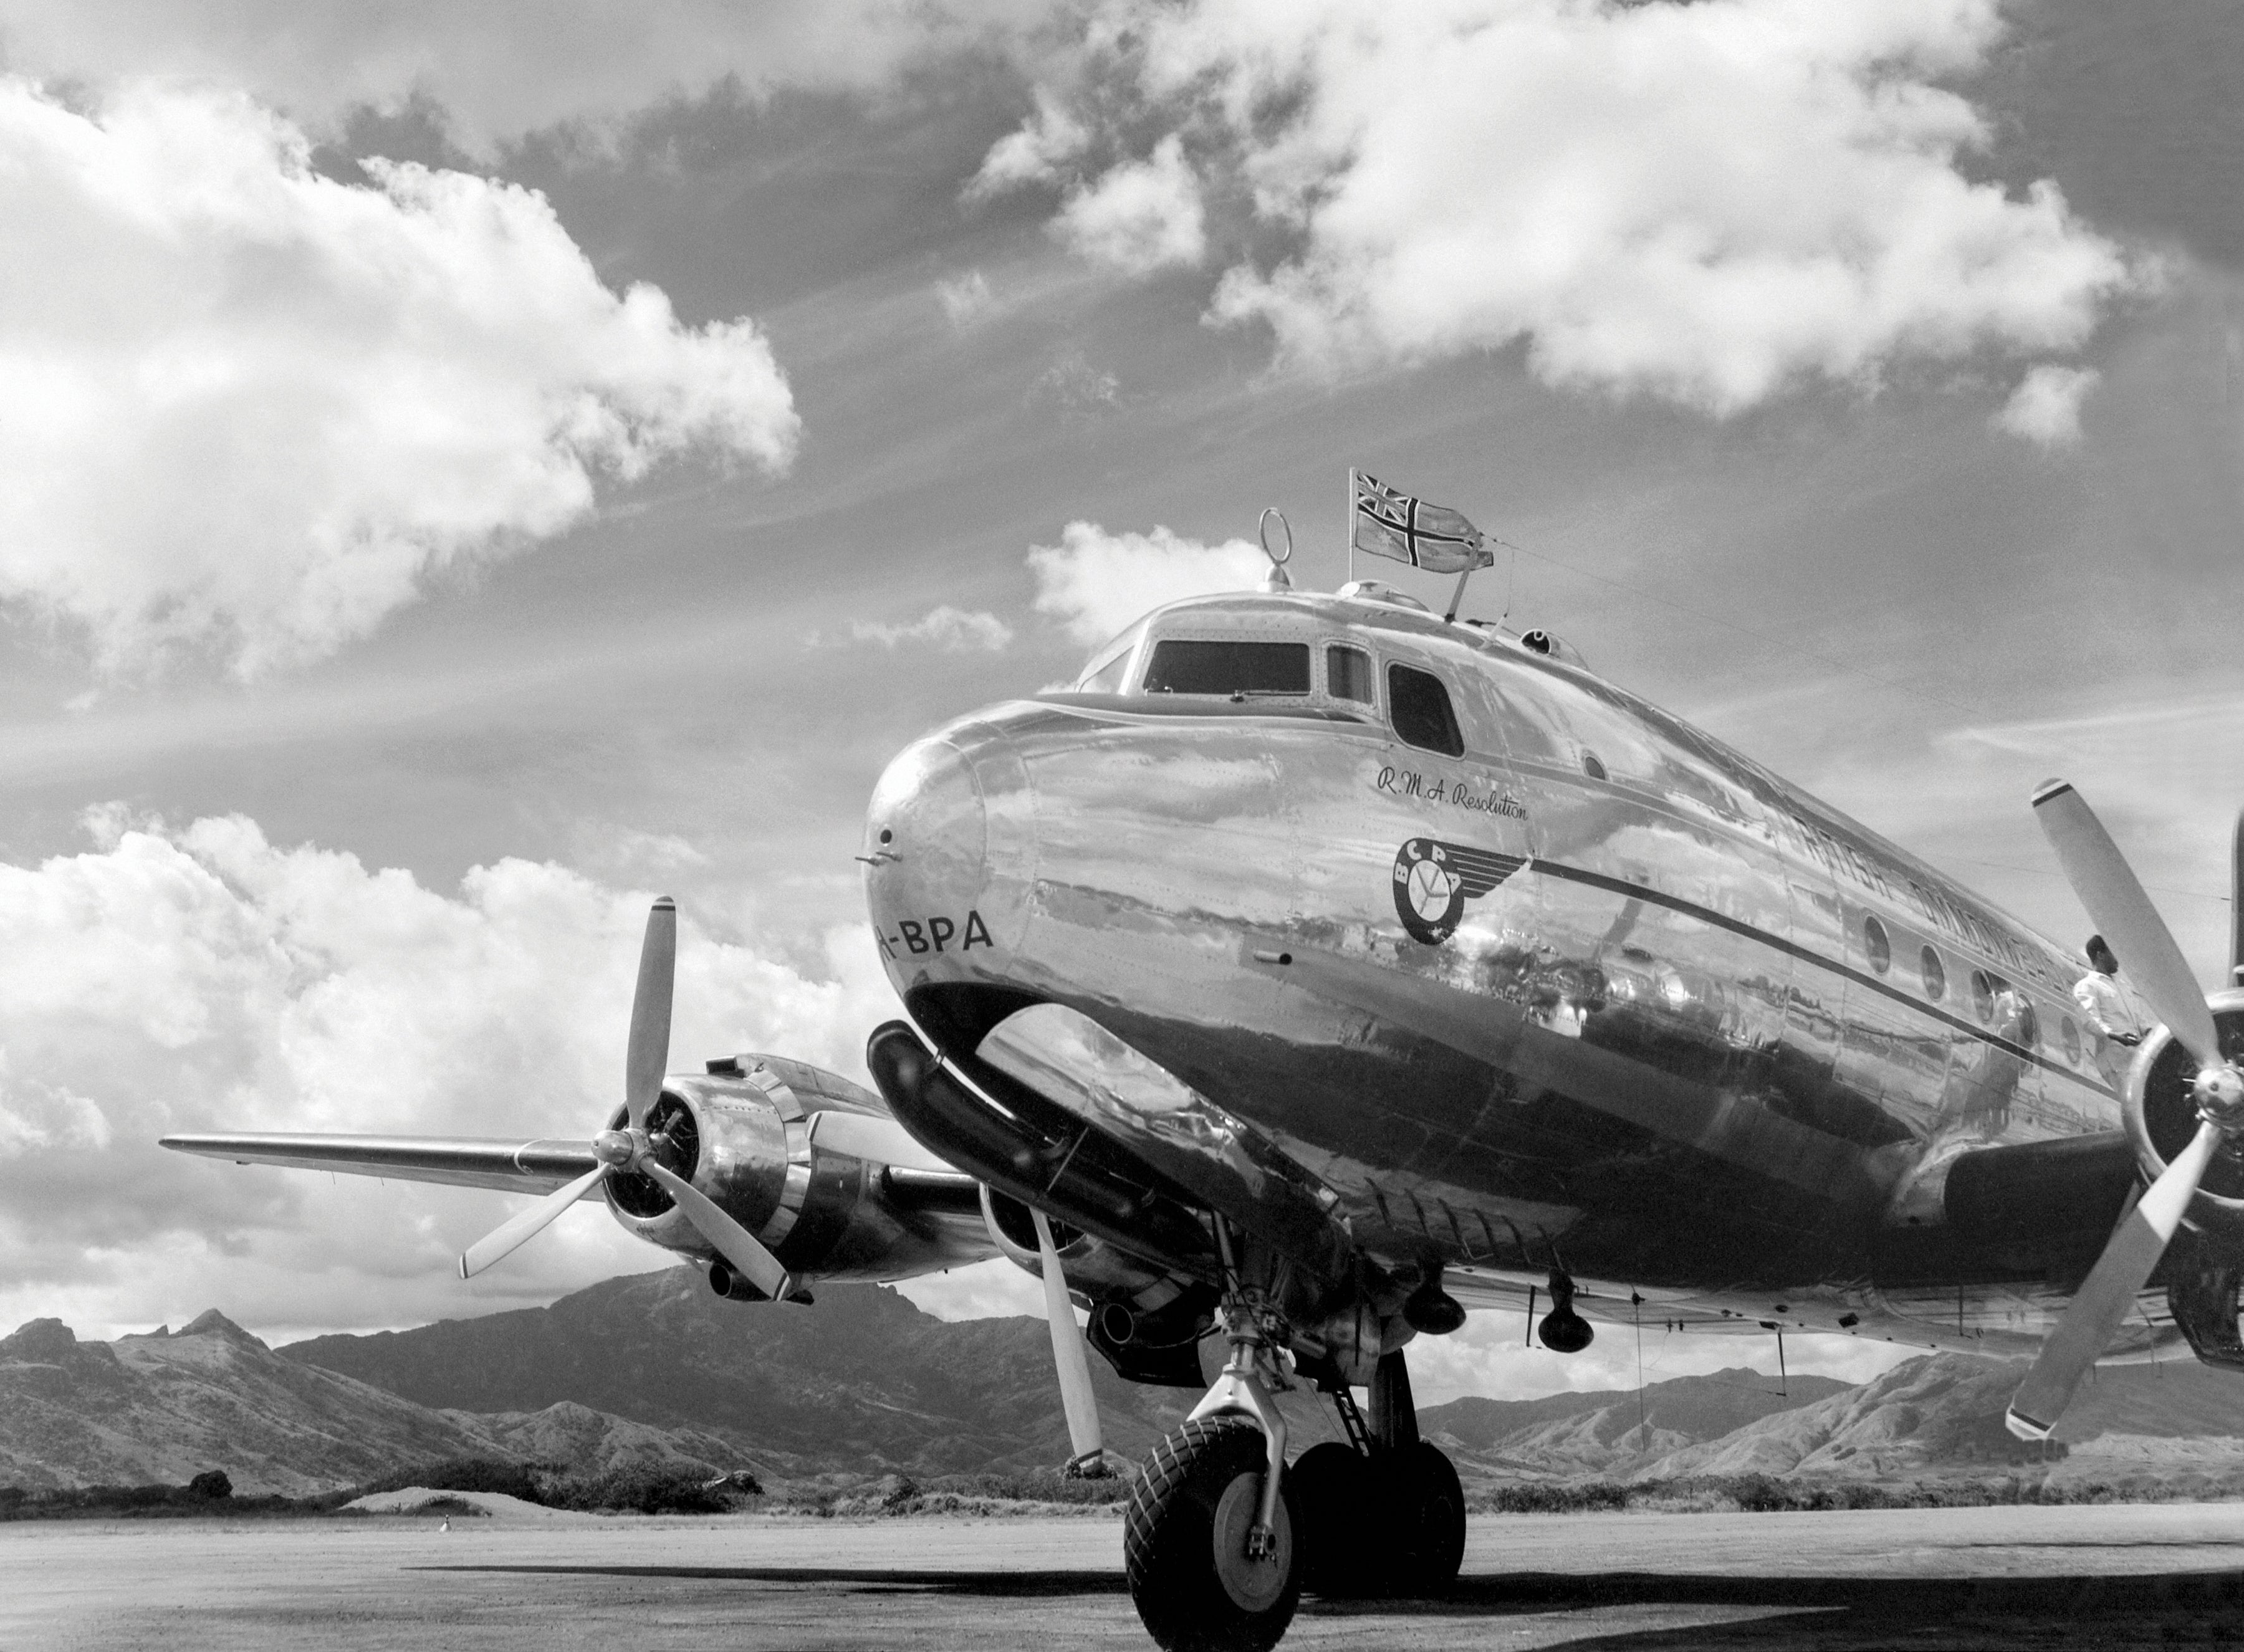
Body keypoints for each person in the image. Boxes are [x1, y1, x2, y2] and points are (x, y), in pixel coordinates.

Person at [2073, 935, 2146, 1087]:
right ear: (2100, 955)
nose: (2118, 958)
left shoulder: (2123, 987)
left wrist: (2148, 1033)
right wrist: (2115, 1035)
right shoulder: (2087, 986)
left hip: (2135, 1058)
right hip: (2114, 1058)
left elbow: (2139, 1019)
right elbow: (2089, 1020)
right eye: (2113, 952)